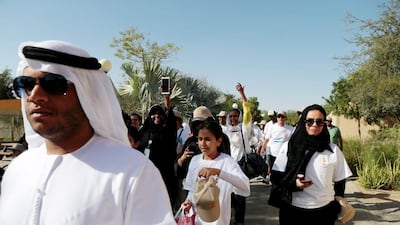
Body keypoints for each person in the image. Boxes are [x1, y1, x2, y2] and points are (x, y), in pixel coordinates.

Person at [0, 40, 175, 224]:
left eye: (53, 84)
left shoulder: (132, 172)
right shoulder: (18, 168)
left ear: (87, 94)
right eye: (26, 84)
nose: (35, 96)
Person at [270, 104, 352, 225]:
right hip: (293, 210)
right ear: (303, 122)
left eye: (319, 122)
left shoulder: (333, 150)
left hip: (324, 211)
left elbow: (340, 181)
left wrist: (338, 204)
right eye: (310, 121)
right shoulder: (288, 147)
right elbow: (275, 177)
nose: (314, 125)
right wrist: (294, 183)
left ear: (324, 124)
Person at [181, 120, 250, 225]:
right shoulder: (195, 161)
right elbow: (192, 190)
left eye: (207, 139)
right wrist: (188, 202)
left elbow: (245, 186)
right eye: (200, 139)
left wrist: (219, 172)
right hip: (198, 220)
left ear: (218, 141)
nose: (203, 143)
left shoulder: (227, 162)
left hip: (219, 220)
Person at [138, 94, 178, 208]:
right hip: (145, 175)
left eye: (160, 114)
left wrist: (167, 99)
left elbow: (171, 121)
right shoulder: (144, 132)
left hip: (164, 175)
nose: (157, 116)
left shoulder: (167, 131)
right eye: (154, 113)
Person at [223, 83, 252, 225]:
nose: (233, 118)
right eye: (231, 116)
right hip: (228, 166)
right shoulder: (225, 131)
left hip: (241, 165)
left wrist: (242, 94)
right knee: (228, 196)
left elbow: (247, 110)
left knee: (240, 196)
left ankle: (239, 222)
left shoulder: (244, 129)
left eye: (236, 116)